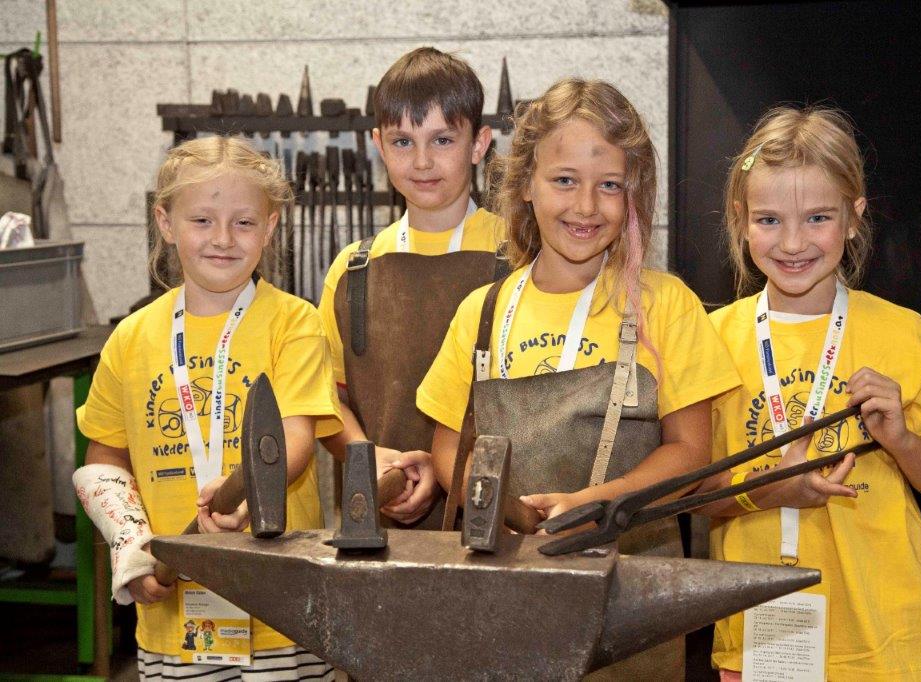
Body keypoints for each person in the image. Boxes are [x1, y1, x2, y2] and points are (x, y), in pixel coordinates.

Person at [416, 78, 740, 679]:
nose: (586, 207)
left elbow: (694, 453)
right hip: (502, 594)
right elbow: (447, 448)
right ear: (525, 188)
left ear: (634, 197)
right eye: (564, 180)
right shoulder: (481, 314)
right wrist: (502, 504)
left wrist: (594, 505)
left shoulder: (663, 307)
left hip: (631, 604)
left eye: (609, 186)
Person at [700, 106, 921, 681]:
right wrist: (772, 489)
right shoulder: (713, 339)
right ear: (741, 220)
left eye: (818, 218)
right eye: (769, 220)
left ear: (854, 217)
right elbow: (695, 499)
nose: (793, 242)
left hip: (889, 645)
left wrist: (901, 440)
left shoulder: (902, 332)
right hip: (759, 640)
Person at [73, 136, 341, 680]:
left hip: (282, 612)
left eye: (244, 223)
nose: (223, 239)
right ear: (166, 223)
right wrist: (132, 551)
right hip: (173, 614)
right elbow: (104, 461)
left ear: (269, 227)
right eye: (201, 221)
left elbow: (293, 440)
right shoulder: (130, 338)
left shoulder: (294, 323)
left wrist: (248, 491)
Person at [318, 46, 505, 526]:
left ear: (480, 144)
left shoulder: (521, 257)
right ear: (379, 145)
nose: (422, 162)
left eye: (442, 140)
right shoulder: (352, 271)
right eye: (403, 142)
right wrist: (367, 457)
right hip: (379, 525)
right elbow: (327, 398)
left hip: (498, 526)